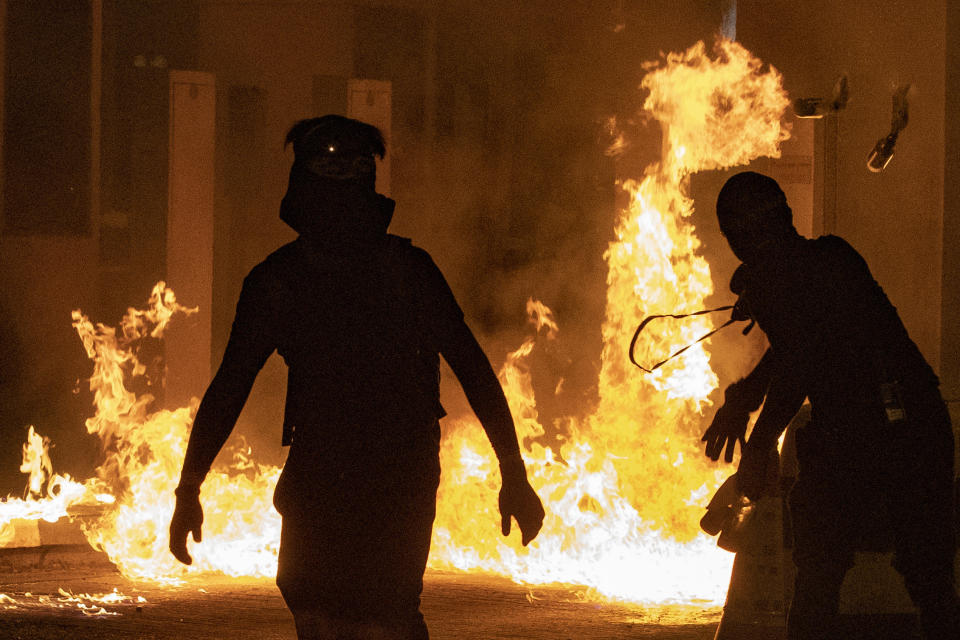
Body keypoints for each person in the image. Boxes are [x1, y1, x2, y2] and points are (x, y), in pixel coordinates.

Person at [168, 115, 545, 640]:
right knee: (336, 610)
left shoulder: (290, 279)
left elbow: (473, 368)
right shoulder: (323, 278)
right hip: (352, 469)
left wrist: (190, 487)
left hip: (384, 470)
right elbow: (231, 386)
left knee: (367, 615)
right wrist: (512, 472)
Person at [702, 171, 959, 640]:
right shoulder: (827, 261)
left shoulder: (806, 272)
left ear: (741, 237)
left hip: (888, 430)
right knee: (905, 578)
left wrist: (759, 444)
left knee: (843, 577)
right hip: (897, 426)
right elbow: (798, 342)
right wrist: (748, 393)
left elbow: (801, 356)